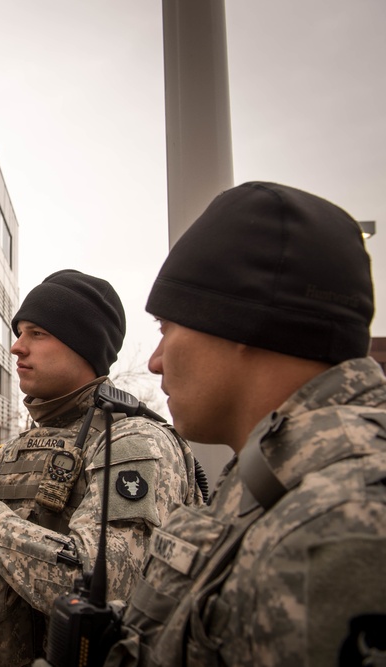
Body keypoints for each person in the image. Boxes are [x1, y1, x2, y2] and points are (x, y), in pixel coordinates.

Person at [104, 181, 386, 666]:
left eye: (166, 328)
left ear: (241, 321)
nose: (153, 361)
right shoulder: (285, 479)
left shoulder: (339, 521)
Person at [0, 269, 205, 667]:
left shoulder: (131, 442)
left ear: (82, 346)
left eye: (36, 333)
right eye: (19, 332)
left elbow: (107, 586)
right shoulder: (15, 449)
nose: (16, 347)